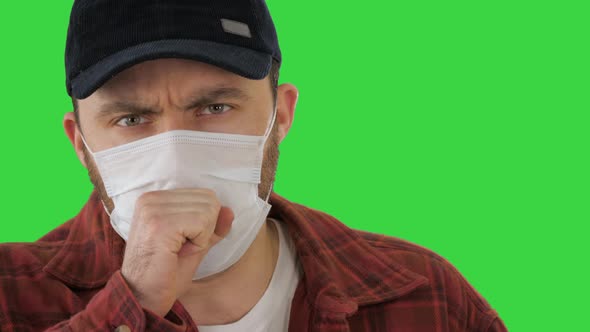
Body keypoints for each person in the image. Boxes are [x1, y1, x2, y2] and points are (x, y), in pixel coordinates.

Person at [0, 0, 507, 331]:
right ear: (80, 141)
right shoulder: (11, 296)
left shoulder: (424, 296)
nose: (175, 155)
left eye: (215, 108)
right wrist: (133, 302)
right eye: (131, 118)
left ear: (281, 115)